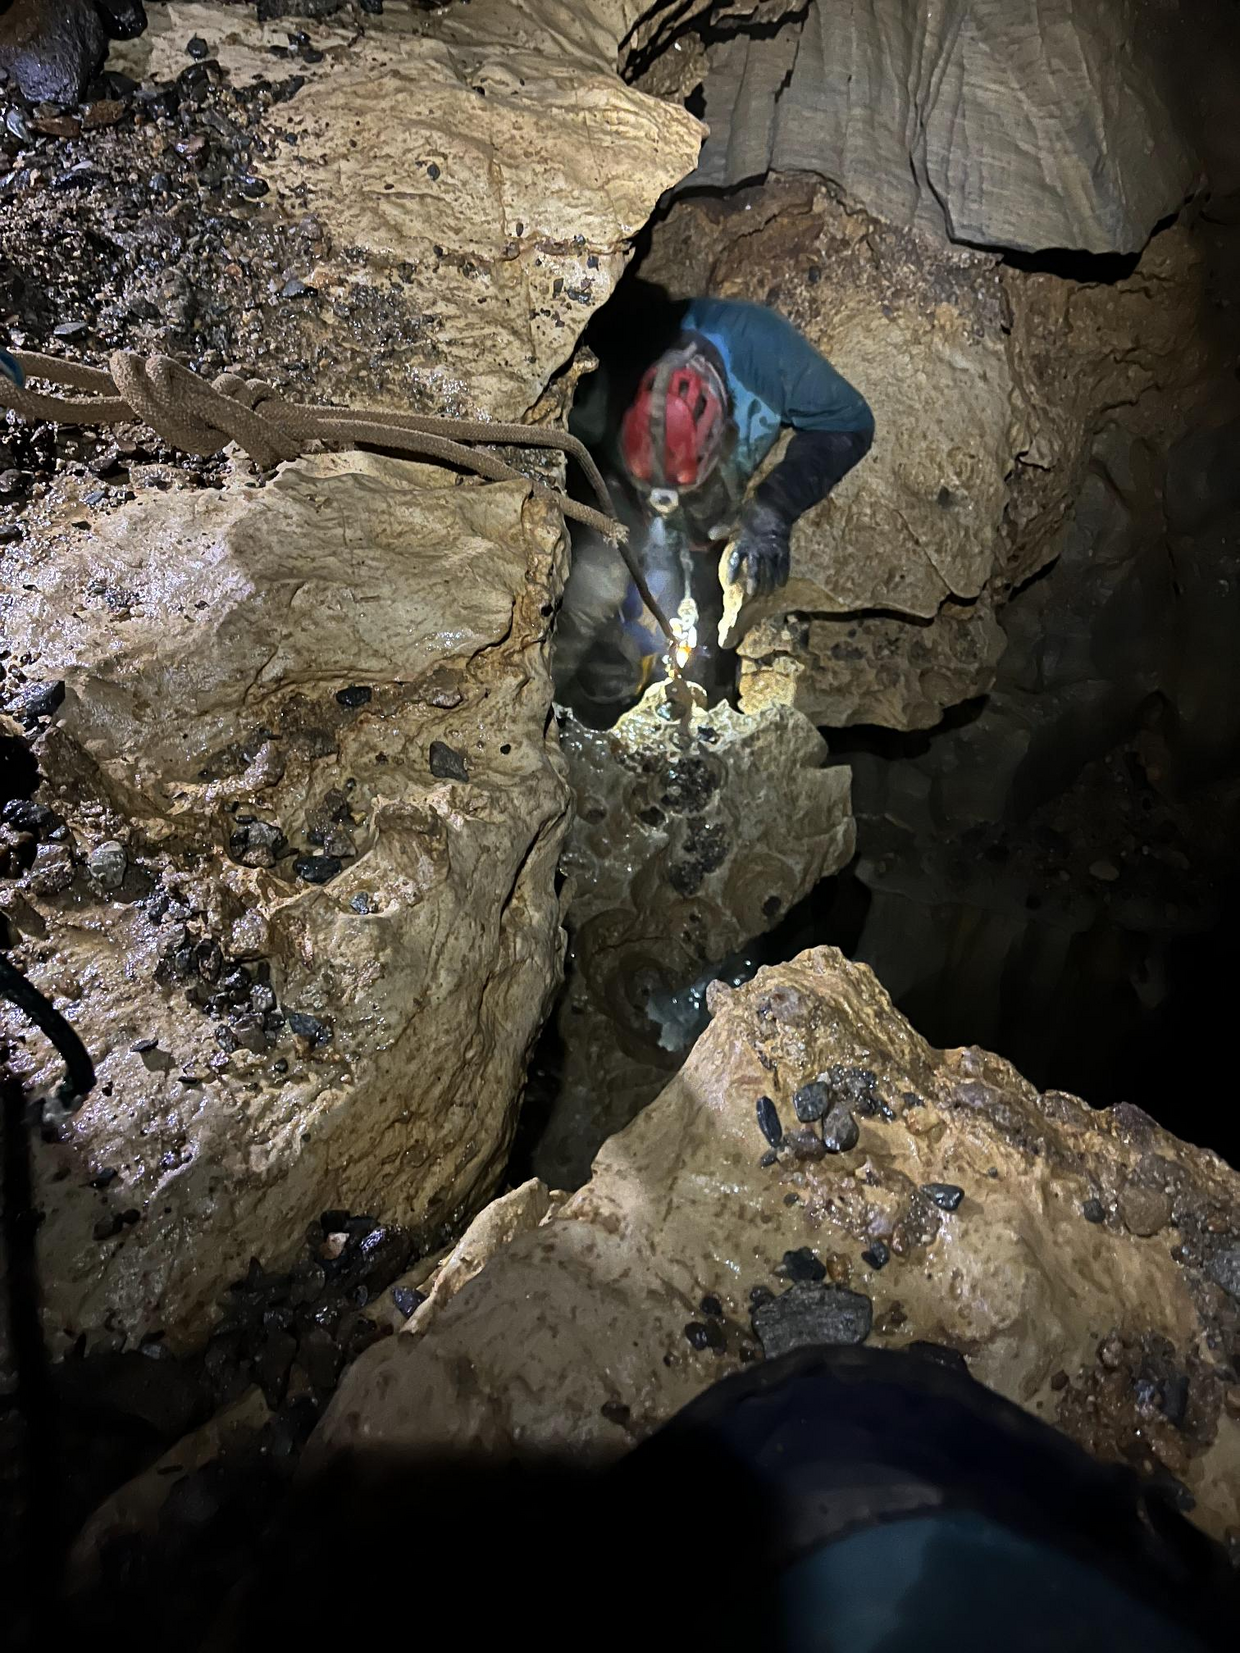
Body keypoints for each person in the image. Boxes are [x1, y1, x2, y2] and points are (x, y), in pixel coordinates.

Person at [553, 296, 874, 721]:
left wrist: (775, 507)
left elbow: (849, 420)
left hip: (716, 517)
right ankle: (558, 682)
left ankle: (714, 674)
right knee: (599, 577)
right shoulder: (617, 365)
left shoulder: (763, 352)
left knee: (711, 594)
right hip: (625, 492)